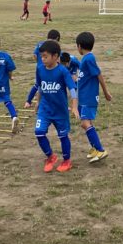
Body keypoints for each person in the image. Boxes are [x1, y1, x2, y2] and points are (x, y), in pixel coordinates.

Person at [34, 40, 79, 173]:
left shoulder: (62, 71)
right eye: (41, 56)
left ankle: (66, 161)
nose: (42, 59)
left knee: (63, 136)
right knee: (39, 132)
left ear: (55, 56)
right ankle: (50, 157)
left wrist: (74, 106)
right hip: (45, 109)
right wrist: (37, 102)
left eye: (45, 56)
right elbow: (40, 87)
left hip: (60, 111)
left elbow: (72, 89)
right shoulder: (40, 69)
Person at [75, 32, 113, 163]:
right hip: (83, 97)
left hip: (89, 97)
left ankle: (100, 150)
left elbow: (99, 75)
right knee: (86, 124)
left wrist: (106, 92)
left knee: (85, 123)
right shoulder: (85, 59)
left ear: (79, 46)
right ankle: (95, 149)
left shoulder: (89, 59)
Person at [25, 29, 60, 108]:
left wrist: (39, 63)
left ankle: (28, 101)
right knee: (51, 84)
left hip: (39, 68)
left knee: (38, 84)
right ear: (57, 38)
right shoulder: (54, 47)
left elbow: (34, 55)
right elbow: (58, 59)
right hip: (49, 68)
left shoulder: (40, 44)